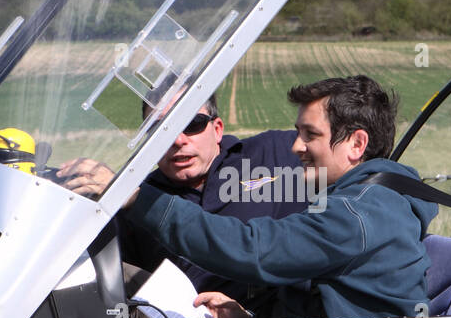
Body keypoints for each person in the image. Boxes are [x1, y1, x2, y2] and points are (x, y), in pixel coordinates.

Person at [121, 75, 437, 318]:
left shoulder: (357, 213)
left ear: (356, 144)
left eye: (310, 135)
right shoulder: (359, 199)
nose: (296, 146)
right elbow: (317, 304)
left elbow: (254, 250)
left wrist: (139, 199)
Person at [56, 94, 306, 303]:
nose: (177, 140)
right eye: (160, 130)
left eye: (192, 123)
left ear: (217, 129)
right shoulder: (133, 204)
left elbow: (341, 170)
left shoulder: (278, 153)